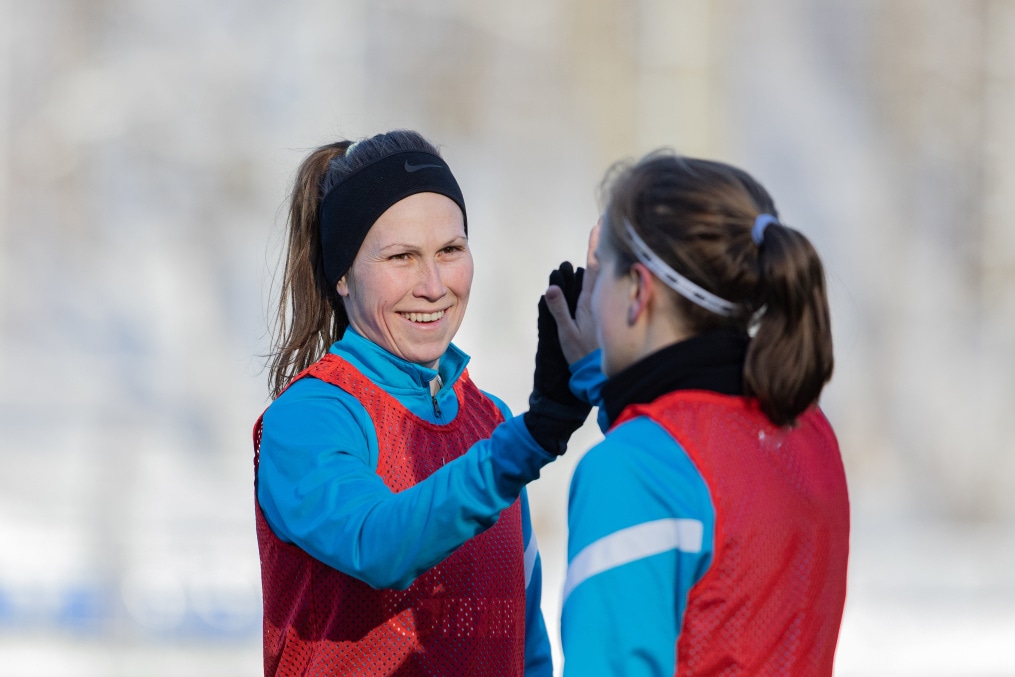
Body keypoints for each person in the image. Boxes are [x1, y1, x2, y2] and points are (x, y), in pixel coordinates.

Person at [254, 130, 589, 676]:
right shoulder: (310, 417)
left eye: (450, 251)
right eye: (402, 256)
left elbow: (524, 644)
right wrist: (528, 443)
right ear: (341, 274)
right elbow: (379, 543)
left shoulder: (491, 422)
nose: (433, 285)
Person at [547, 151, 851, 676]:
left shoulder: (630, 472)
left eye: (608, 273)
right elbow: (704, 467)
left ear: (639, 291)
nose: (593, 300)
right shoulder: (808, 431)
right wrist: (605, 378)